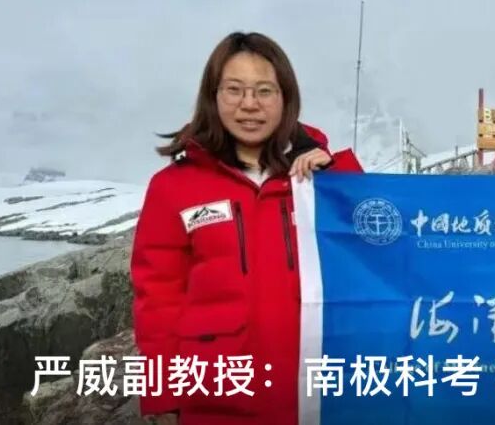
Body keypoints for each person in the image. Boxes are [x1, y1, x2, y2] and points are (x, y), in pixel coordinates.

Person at [130, 31, 363, 425]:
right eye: (234, 90)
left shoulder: (322, 179)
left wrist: (338, 178)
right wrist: (163, 392)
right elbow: (158, 297)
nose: (250, 104)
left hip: (318, 392)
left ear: (286, 98)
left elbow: (376, 256)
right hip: (217, 393)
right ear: (213, 96)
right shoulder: (173, 187)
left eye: (264, 91)